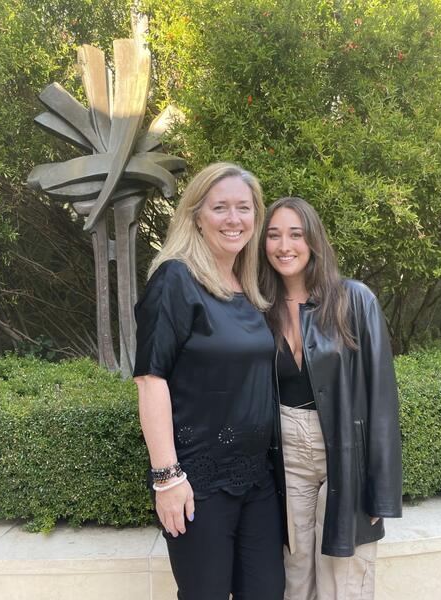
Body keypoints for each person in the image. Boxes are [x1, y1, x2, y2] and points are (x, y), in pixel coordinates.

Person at [133, 163, 285, 600]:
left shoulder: (251, 286)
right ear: (196, 215)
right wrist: (167, 478)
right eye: (220, 208)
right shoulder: (175, 279)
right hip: (196, 482)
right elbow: (150, 378)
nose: (233, 219)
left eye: (244, 208)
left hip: (257, 479)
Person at [260, 196, 403, 600]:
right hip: (286, 449)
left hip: (343, 447)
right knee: (295, 570)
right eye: (273, 235)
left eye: (295, 234)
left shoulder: (354, 299)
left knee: (344, 574)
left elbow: (382, 397)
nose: (284, 245)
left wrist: (382, 488)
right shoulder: (258, 308)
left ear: (313, 241)